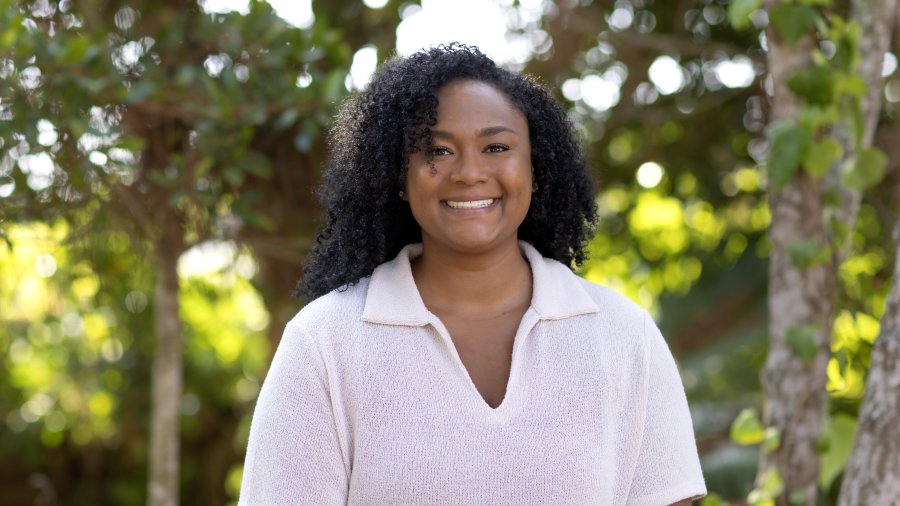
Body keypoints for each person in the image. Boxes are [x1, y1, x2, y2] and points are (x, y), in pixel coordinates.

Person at [239, 43, 706, 505]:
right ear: (398, 177)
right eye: (437, 151)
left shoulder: (624, 336)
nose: (468, 172)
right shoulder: (324, 341)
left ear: (535, 168)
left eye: (496, 146)